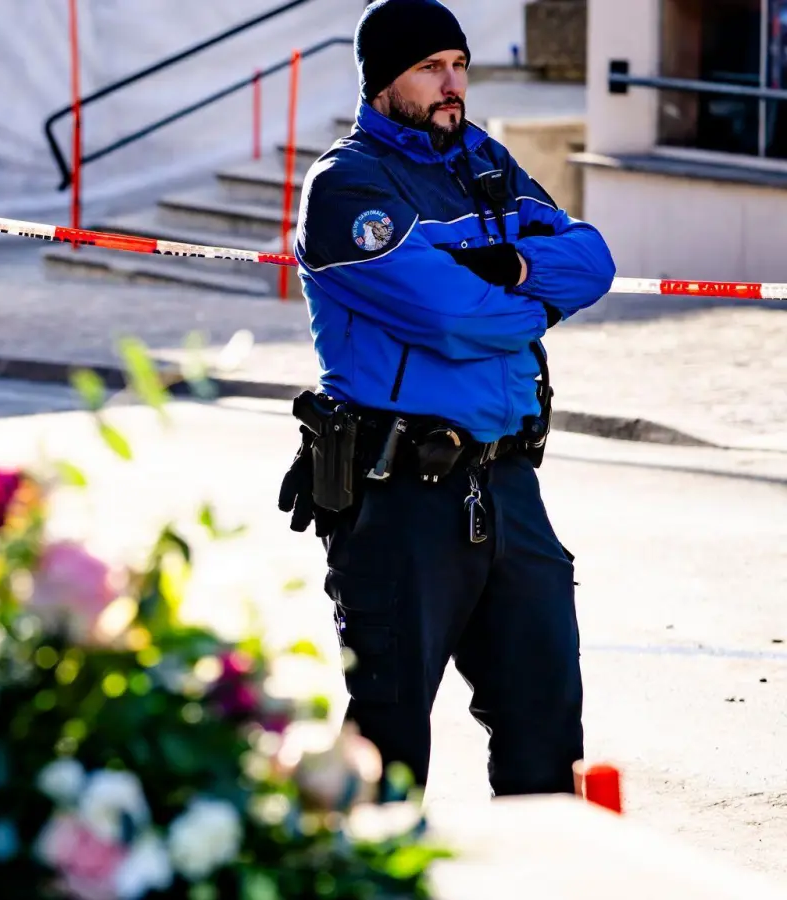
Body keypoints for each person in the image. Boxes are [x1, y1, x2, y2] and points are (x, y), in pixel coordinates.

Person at [277, 0, 617, 796]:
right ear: (381, 81)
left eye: (459, 65)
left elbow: (593, 260)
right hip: (400, 499)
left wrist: (519, 269)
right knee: (388, 747)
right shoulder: (346, 185)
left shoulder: (483, 163)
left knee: (547, 734)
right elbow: (450, 318)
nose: (451, 83)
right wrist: (536, 303)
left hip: (508, 486)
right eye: (430, 68)